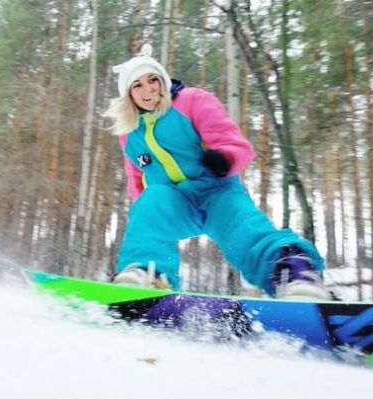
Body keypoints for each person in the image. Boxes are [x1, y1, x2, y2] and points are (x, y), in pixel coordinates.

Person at [104, 44, 330, 299]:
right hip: (175, 201)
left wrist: (224, 158)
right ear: (128, 94)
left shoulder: (191, 101)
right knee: (150, 205)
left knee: (245, 231)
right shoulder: (130, 133)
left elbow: (231, 140)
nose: (148, 89)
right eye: (138, 85)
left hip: (217, 191)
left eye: (153, 80)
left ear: (163, 81)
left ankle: (294, 277)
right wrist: (145, 211)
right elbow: (137, 180)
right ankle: (147, 275)